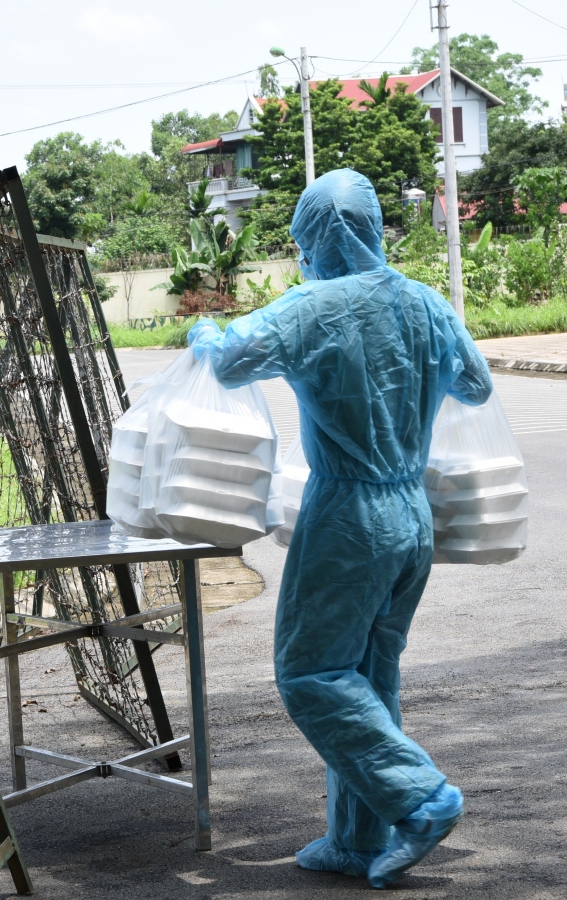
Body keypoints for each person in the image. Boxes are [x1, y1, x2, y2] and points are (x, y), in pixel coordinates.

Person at [186, 169, 492, 888]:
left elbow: (230, 362)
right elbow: (476, 385)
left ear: (311, 238)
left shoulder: (310, 307)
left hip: (349, 518)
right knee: (369, 677)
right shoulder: (426, 302)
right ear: (374, 228)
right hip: (411, 514)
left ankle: (421, 798)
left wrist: (203, 333)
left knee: (312, 672)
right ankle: (355, 842)